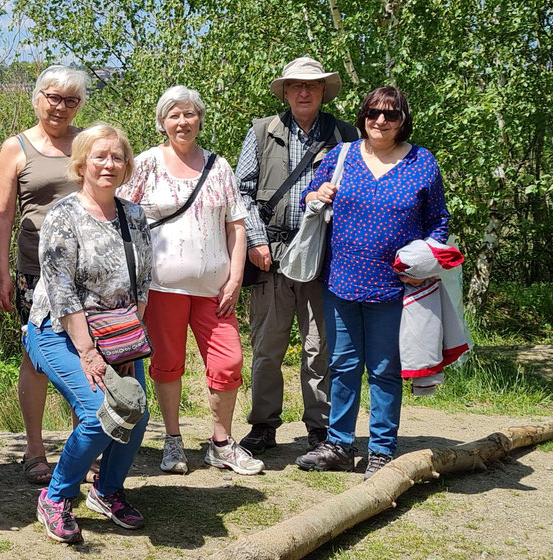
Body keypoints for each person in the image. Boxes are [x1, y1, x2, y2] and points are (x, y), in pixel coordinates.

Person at [296, 87, 449, 479]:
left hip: (395, 288)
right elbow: (308, 199)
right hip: (340, 281)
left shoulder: (422, 162)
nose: (380, 121)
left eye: (391, 115)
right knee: (343, 365)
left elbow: (438, 222)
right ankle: (339, 446)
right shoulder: (343, 155)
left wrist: (425, 257)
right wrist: (317, 192)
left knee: (384, 369)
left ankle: (381, 450)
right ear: (363, 115)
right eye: (373, 113)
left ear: (403, 120)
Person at [118, 86, 262, 476]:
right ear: (162, 122)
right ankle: (172, 440)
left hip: (215, 289)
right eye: (174, 115)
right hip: (162, 287)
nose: (182, 122)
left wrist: (234, 280)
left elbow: (236, 227)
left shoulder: (219, 167)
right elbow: (120, 217)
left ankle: (220, 442)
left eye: (189, 114)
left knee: (229, 361)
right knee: (167, 364)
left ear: (199, 118)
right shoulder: (146, 163)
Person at [25, 123, 153, 544]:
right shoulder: (63, 215)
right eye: (100, 156)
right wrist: (88, 351)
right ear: (81, 163)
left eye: (117, 157)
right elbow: (61, 292)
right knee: (103, 411)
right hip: (58, 331)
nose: (109, 164)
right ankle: (56, 496)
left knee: (136, 411)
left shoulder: (133, 215)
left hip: (116, 333)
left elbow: (141, 286)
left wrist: (129, 344)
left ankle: (107, 490)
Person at [234, 57, 359, 456]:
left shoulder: (347, 135)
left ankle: (320, 427)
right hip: (270, 253)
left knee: (319, 347)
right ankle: (263, 425)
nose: (303, 93)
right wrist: (255, 243)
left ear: (324, 91)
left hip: (324, 256)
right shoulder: (260, 132)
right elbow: (242, 193)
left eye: (312, 86)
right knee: (266, 346)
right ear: (285, 91)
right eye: (295, 86)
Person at [0, 65, 89, 484]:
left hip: (88, 272)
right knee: (37, 358)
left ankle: (80, 443)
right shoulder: (15, 148)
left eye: (71, 100)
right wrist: (2, 273)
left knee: (87, 357)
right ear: (37, 98)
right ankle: (34, 449)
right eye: (54, 97)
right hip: (36, 272)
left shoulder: (87, 143)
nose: (61, 107)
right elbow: (3, 215)